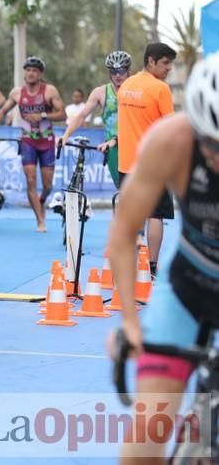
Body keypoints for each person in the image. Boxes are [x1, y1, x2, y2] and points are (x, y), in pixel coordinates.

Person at [108, 53, 219, 465]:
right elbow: (122, 233)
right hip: (188, 289)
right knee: (148, 431)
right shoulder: (171, 140)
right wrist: (130, 322)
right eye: (212, 146)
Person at [117, 42, 177, 278]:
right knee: (155, 215)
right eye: (165, 63)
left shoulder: (125, 86)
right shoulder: (160, 89)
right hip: (153, 165)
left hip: (126, 164)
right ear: (151, 61)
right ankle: (151, 267)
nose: (169, 68)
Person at [0, 56, 66, 232]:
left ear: (40, 74)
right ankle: (40, 220)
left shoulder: (49, 91)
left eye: (34, 71)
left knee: (47, 186)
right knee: (30, 180)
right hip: (28, 141)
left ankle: (42, 199)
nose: (30, 73)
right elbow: (4, 110)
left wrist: (43, 116)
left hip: (46, 141)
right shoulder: (17, 93)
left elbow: (63, 115)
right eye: (28, 70)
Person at [60, 51, 132, 188]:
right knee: (123, 189)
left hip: (133, 143)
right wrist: (66, 135)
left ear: (129, 71)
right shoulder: (100, 92)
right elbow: (81, 116)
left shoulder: (136, 90)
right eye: (113, 71)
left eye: (121, 71)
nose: (117, 75)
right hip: (112, 148)